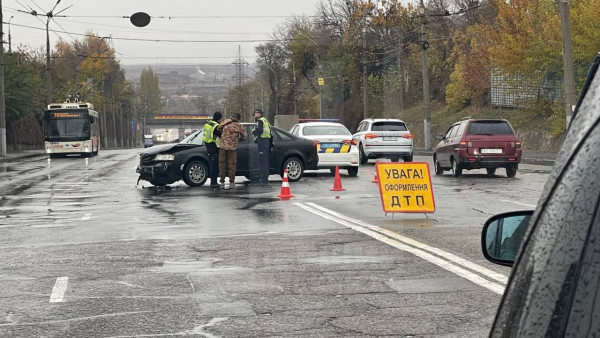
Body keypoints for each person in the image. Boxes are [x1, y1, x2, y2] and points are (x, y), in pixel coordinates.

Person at [216, 112, 247, 190]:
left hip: (222, 146)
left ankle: (222, 182)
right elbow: (245, 136)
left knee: (222, 164)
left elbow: (218, 128)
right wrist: (238, 139)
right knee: (232, 165)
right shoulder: (238, 125)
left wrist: (224, 135)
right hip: (232, 147)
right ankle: (231, 183)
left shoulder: (226, 122)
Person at [252, 109, 272, 185]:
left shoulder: (260, 121)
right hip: (266, 142)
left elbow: (259, 131)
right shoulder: (265, 120)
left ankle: (264, 178)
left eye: (256, 114)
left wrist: (253, 131)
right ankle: (265, 177)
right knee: (265, 160)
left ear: (260, 114)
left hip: (262, 142)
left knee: (263, 161)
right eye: (255, 114)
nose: (255, 115)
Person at [202, 111, 222, 189]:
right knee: (214, 166)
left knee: (212, 165)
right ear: (219, 118)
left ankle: (213, 182)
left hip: (207, 144)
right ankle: (214, 182)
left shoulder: (208, 123)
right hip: (213, 146)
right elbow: (220, 135)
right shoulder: (216, 126)